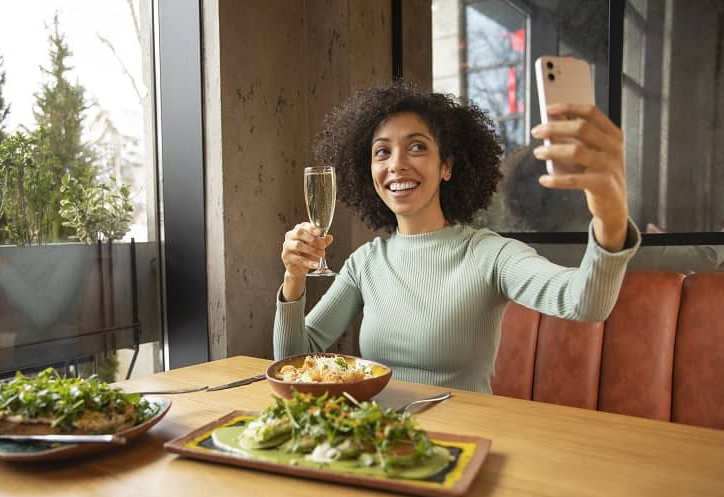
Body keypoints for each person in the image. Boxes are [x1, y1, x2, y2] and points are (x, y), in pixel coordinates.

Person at [273, 81, 640, 393]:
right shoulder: (365, 262)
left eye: (417, 147)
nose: (396, 163)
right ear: (369, 171)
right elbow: (291, 360)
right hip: (379, 442)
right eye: (382, 151)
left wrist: (610, 216)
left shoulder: (488, 254)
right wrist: (294, 278)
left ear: (446, 166)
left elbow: (586, 304)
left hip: (461, 445)